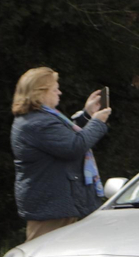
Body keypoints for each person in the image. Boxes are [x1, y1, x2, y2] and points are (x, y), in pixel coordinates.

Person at [10, 67, 111, 241]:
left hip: (54, 205)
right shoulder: (38, 122)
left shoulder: (39, 117)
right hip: (50, 208)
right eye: (55, 88)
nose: (60, 92)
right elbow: (73, 146)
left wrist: (87, 115)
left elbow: (64, 137)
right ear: (40, 92)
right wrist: (97, 123)